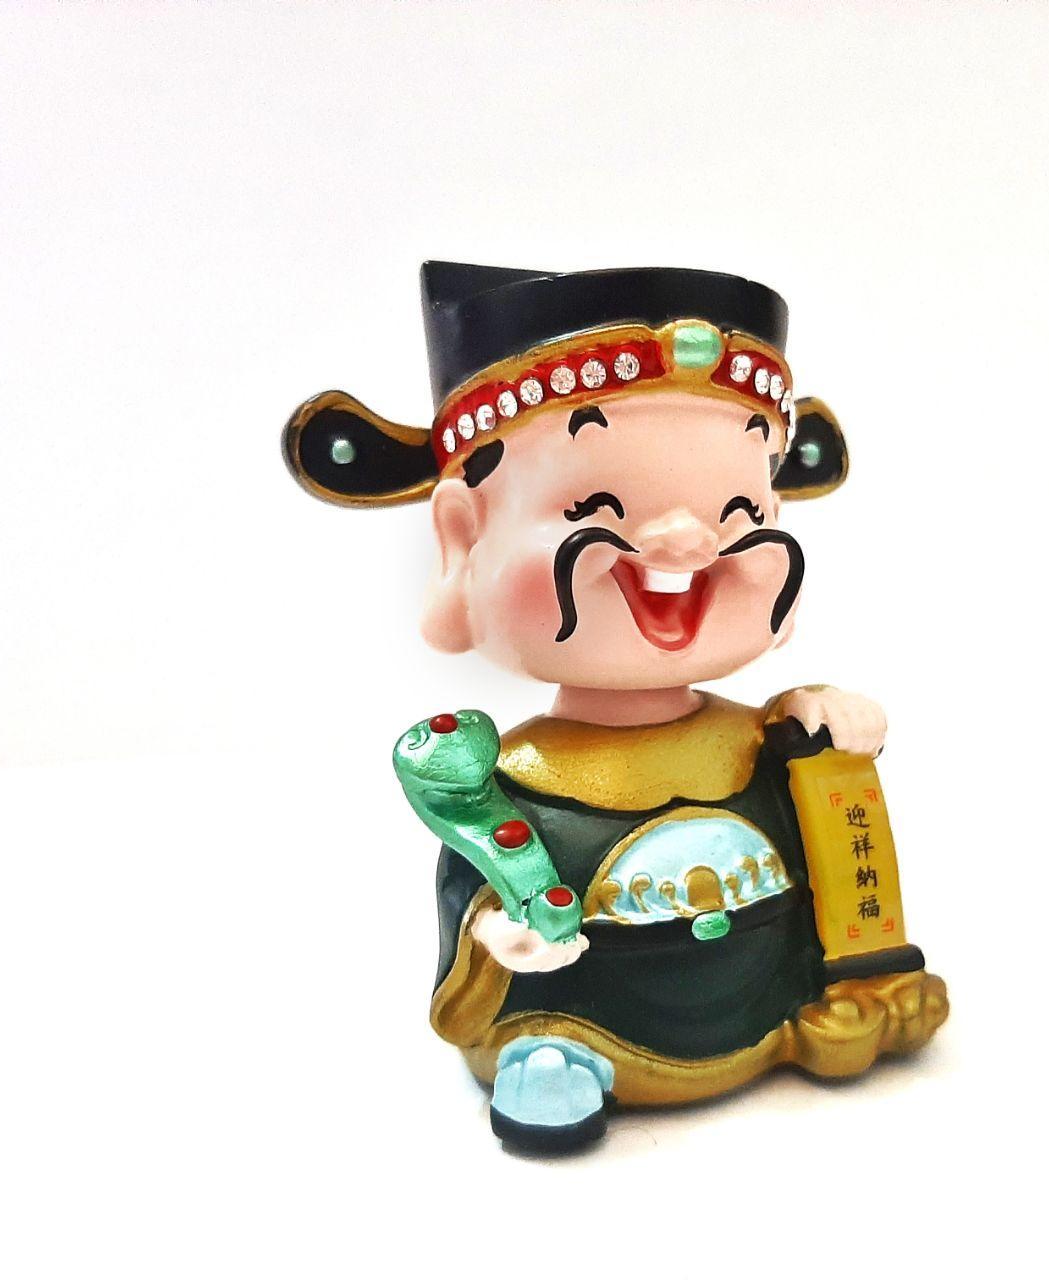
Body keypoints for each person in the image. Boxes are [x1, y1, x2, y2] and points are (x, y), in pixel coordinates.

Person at [283, 261, 947, 1153]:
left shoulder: (763, 736)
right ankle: (554, 1047)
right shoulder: (497, 782)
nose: (688, 544)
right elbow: (473, 895)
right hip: (590, 1010)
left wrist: (818, 715)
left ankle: (790, 1014)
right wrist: (495, 939)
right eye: (597, 506)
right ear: (463, 542)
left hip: (763, 999)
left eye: (740, 509)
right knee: (545, 1025)